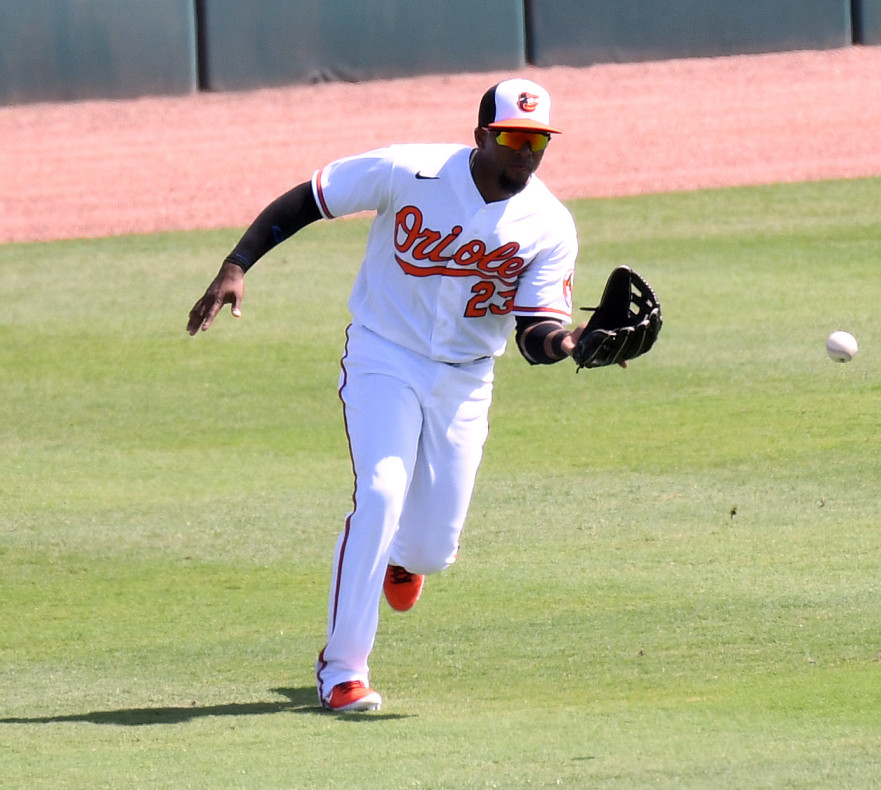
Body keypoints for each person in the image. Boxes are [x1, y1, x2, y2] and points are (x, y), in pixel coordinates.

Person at [187, 78, 584, 712]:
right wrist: (237, 264)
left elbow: (535, 332)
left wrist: (572, 343)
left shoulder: (550, 225)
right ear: (482, 136)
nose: (526, 152)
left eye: (538, 140)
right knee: (380, 492)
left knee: (433, 548)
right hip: (384, 356)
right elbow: (310, 199)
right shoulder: (409, 170)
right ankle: (343, 670)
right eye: (513, 137)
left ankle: (405, 558)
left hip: (465, 378)